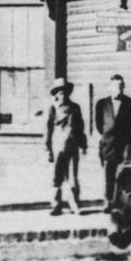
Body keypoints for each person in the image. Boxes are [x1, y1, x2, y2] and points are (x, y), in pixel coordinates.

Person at [94, 74, 131, 211]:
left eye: (121, 86)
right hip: (108, 145)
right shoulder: (101, 104)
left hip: (125, 144)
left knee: (125, 174)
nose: (119, 88)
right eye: (116, 86)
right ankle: (108, 201)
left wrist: (128, 140)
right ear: (110, 87)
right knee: (108, 175)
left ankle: (123, 202)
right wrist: (108, 135)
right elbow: (99, 125)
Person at [45, 77, 86, 216]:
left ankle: (74, 204)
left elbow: (80, 127)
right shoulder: (52, 108)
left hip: (72, 146)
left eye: (65, 92)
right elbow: (48, 129)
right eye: (60, 92)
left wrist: (83, 144)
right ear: (56, 93)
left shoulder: (75, 108)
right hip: (57, 147)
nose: (63, 94)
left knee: (72, 177)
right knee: (56, 176)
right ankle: (56, 205)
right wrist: (47, 149)